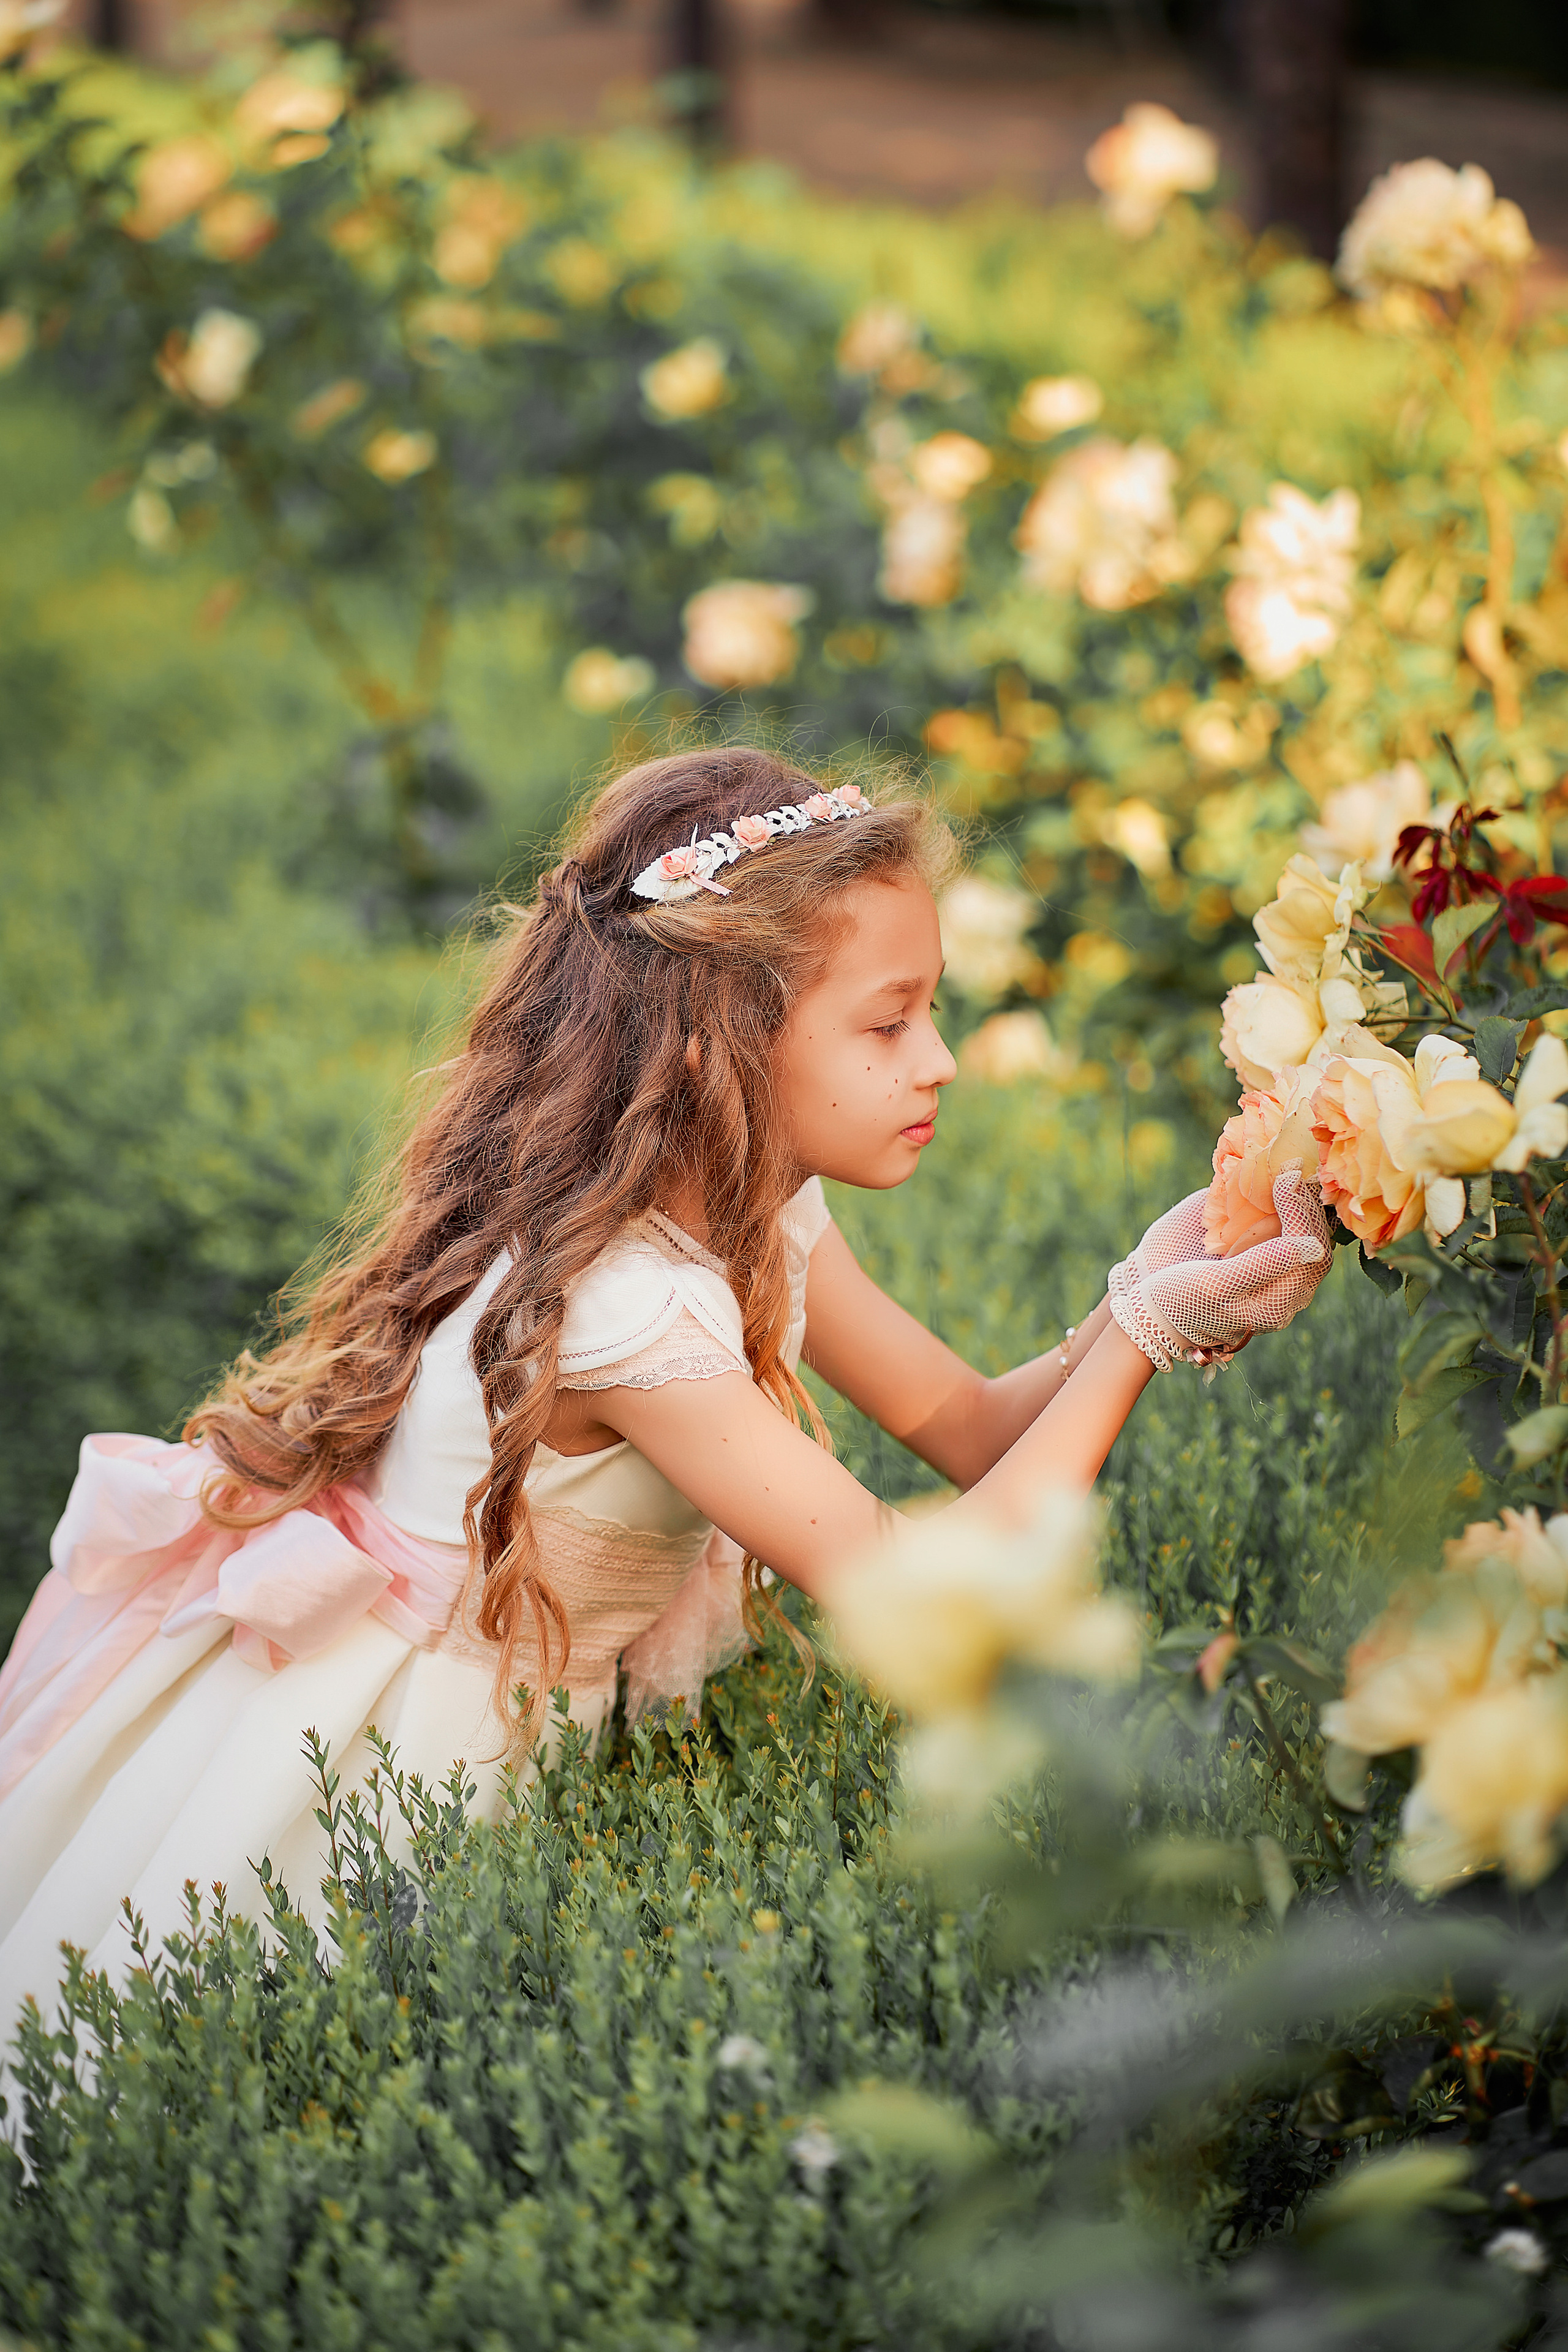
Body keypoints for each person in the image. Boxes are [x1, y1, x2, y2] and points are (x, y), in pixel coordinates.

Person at [0, 746, 1329, 2016]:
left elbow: (971, 1429)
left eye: (932, 1011)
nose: (938, 1060)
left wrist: (1148, 1281)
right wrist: (1143, 1333)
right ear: (716, 1045)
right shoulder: (625, 1305)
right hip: (378, 1774)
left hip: (509, 1734)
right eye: (887, 1022)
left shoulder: (756, 1207)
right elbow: (928, 1591)